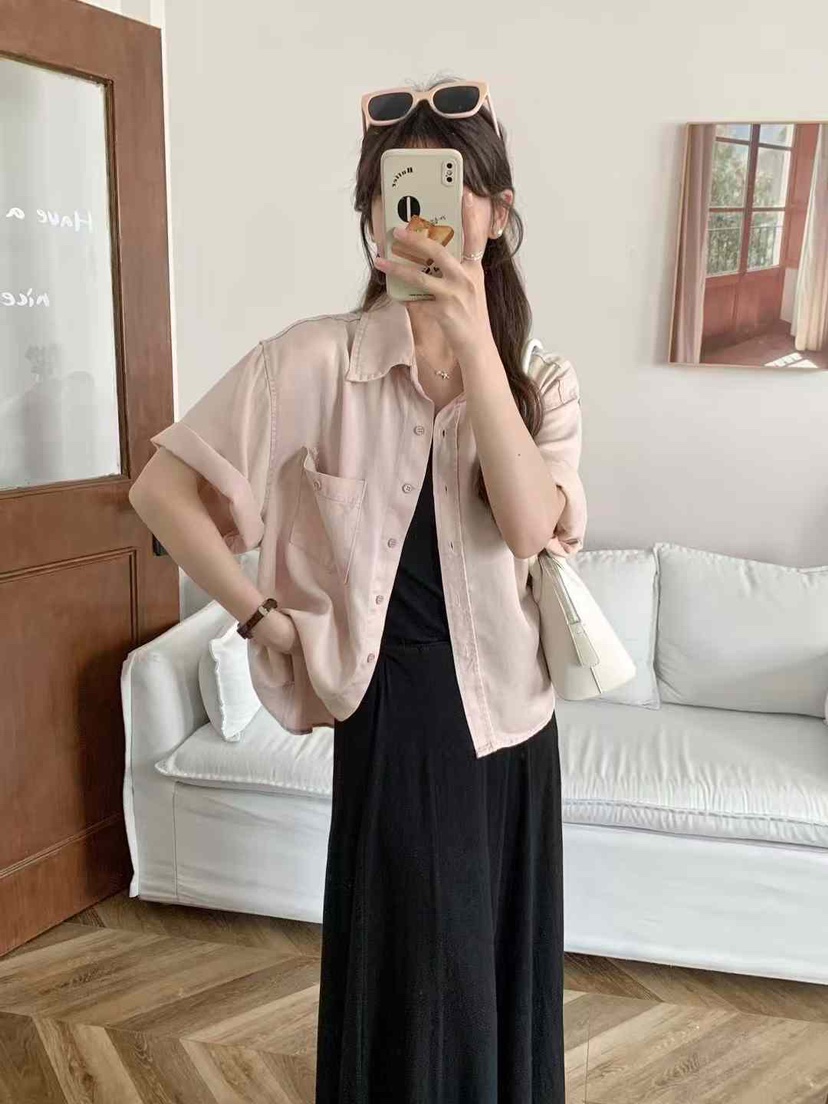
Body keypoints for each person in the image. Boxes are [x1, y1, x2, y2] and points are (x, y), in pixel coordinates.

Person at [130, 73, 587, 1104]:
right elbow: (160, 490)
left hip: (516, 725)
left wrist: (475, 347)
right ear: (373, 219)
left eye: (454, 189)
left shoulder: (541, 382)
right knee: (422, 990)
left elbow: (528, 525)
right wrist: (258, 617)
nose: (423, 214)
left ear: (497, 215)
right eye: (398, 192)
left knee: (497, 980)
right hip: (398, 714)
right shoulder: (315, 361)